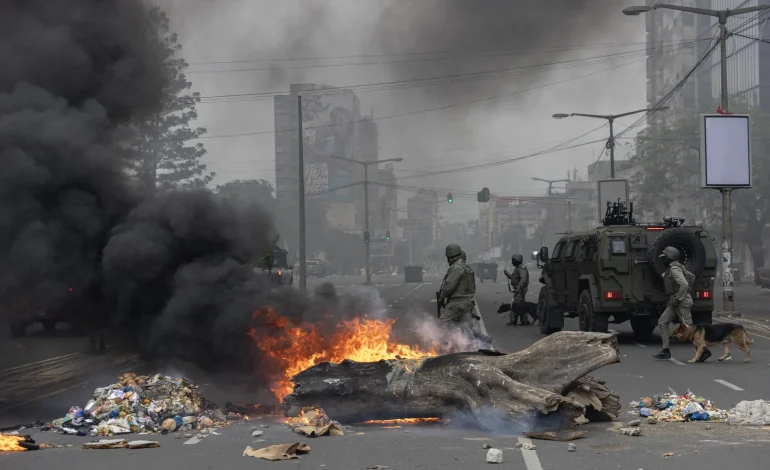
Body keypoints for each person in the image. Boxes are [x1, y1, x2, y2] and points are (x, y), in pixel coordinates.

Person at [653, 246, 710, 361]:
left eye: (665, 257)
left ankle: (704, 351)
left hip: (681, 301)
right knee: (663, 322)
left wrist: (679, 297)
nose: (663, 259)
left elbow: (684, 284)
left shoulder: (674, 269)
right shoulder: (678, 267)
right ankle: (665, 350)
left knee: (689, 329)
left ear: (670, 257)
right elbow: (691, 277)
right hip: (676, 300)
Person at [438, 244, 487, 347]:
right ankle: (471, 349)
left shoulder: (456, 268)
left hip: (457, 303)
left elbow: (449, 285)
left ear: (450, 255)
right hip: (467, 303)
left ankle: (445, 346)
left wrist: (442, 297)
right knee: (467, 328)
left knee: (443, 323)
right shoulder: (466, 268)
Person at [503, 254, 529, 326]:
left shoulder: (521, 268)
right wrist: (508, 275)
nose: (512, 262)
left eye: (513, 260)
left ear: (517, 260)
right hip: (519, 289)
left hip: (520, 290)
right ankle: (524, 321)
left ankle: (514, 320)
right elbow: (515, 278)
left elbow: (523, 279)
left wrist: (519, 287)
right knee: (521, 305)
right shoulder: (518, 268)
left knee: (515, 305)